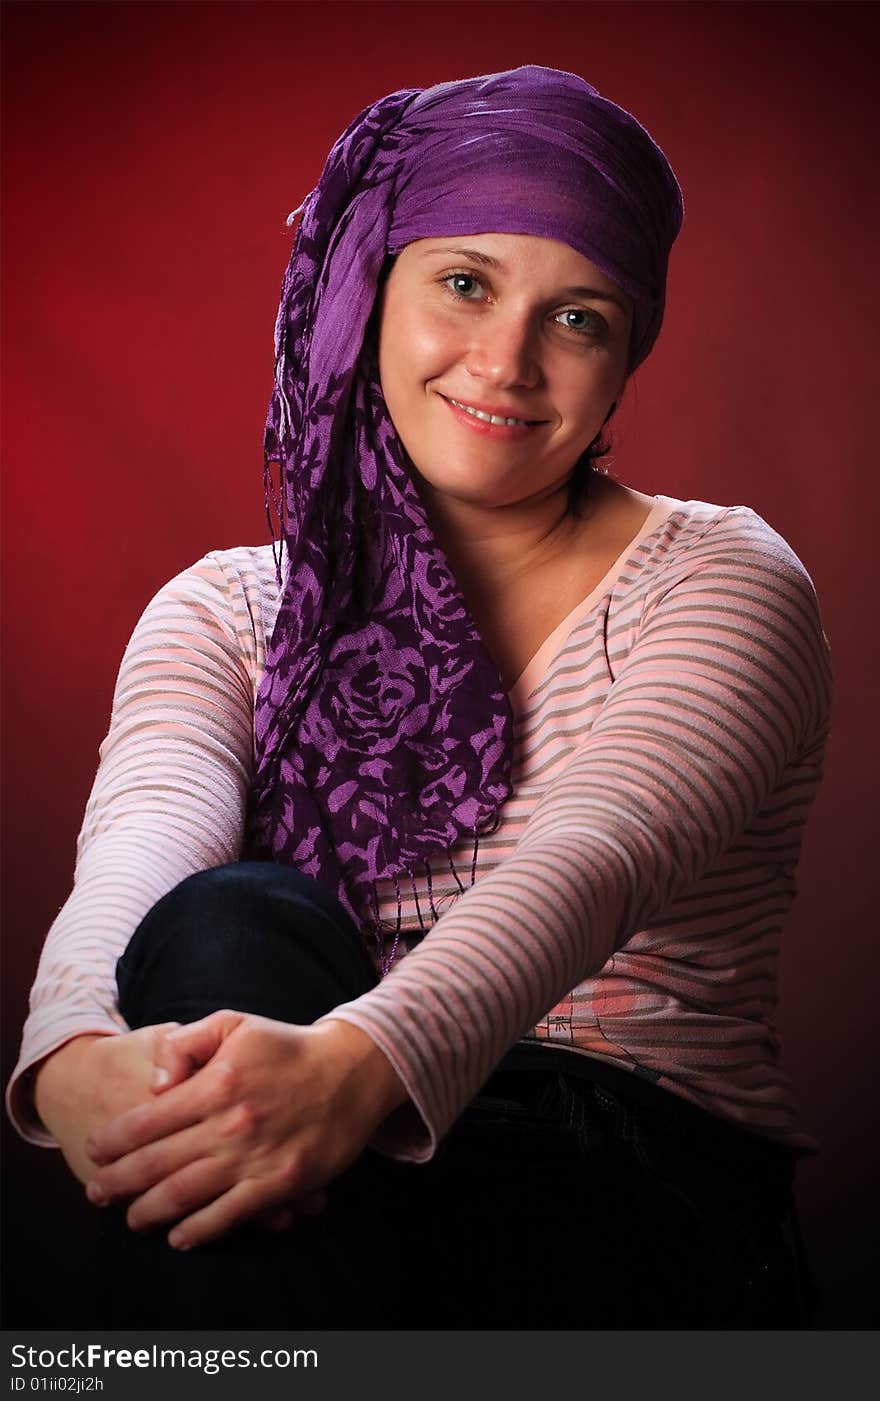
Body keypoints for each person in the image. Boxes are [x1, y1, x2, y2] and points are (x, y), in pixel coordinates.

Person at [7, 65, 831, 1329]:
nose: (505, 362)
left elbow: (588, 862)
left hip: (617, 1166)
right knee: (229, 929)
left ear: (623, 365)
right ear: (366, 292)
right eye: (463, 283)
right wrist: (69, 1059)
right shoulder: (226, 611)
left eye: (579, 318)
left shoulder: (721, 582)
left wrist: (352, 1072)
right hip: (285, 1151)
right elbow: (140, 855)